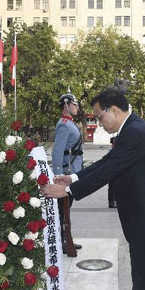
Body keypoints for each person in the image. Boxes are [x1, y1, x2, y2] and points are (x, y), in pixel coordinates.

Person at [41, 89, 145, 290]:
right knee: (143, 283)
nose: (99, 123)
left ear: (113, 110)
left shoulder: (136, 132)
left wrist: (68, 191)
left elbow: (109, 170)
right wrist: (72, 178)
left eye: (99, 117)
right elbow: (106, 162)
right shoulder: (131, 129)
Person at [51, 89, 84, 249]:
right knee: (62, 208)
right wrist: (58, 174)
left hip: (73, 171)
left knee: (67, 207)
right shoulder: (63, 125)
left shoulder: (70, 123)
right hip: (66, 172)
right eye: (74, 105)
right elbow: (57, 151)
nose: (77, 107)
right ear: (67, 105)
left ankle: (66, 238)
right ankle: (62, 240)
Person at [107, 137, 118, 207]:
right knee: (112, 187)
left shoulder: (113, 149)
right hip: (112, 171)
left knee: (114, 187)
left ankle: (113, 201)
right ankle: (111, 202)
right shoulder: (111, 150)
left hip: (114, 170)